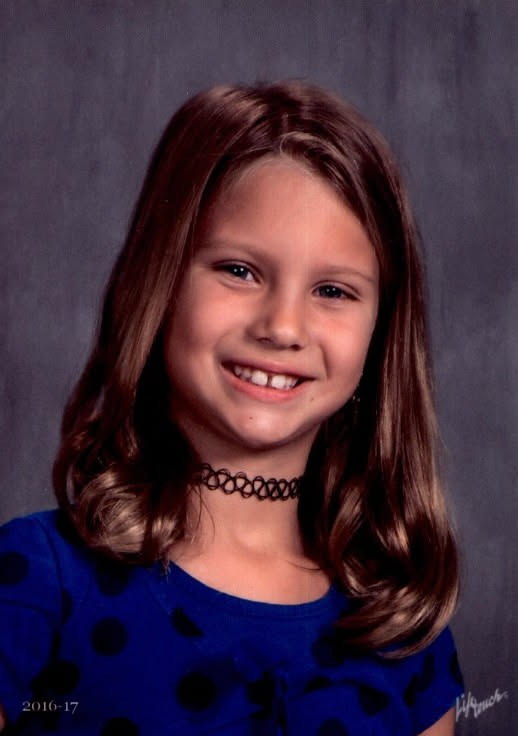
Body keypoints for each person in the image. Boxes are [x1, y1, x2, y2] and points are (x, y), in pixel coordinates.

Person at [0, 81, 463, 735]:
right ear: (158, 280)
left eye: (333, 290)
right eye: (239, 271)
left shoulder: (400, 626)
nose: (283, 326)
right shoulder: (37, 581)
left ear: (380, 334)